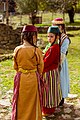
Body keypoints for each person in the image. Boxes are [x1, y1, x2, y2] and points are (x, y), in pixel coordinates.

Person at [11, 25, 44, 120]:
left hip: (21, 78)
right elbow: (40, 67)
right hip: (33, 78)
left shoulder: (17, 49)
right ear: (33, 36)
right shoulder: (36, 50)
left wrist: (22, 71)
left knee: (21, 100)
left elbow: (15, 66)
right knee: (33, 101)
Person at [42, 26, 62, 116]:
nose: (49, 39)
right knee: (49, 90)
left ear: (57, 37)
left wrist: (39, 64)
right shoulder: (52, 46)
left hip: (49, 73)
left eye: (51, 36)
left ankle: (48, 109)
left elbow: (46, 62)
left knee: (48, 91)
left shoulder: (54, 48)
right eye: (48, 36)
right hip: (50, 72)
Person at [52, 18, 71, 106]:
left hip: (61, 62)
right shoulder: (55, 37)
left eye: (56, 26)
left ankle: (61, 98)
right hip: (53, 61)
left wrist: (58, 63)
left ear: (61, 27)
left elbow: (63, 53)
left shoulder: (65, 39)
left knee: (61, 79)